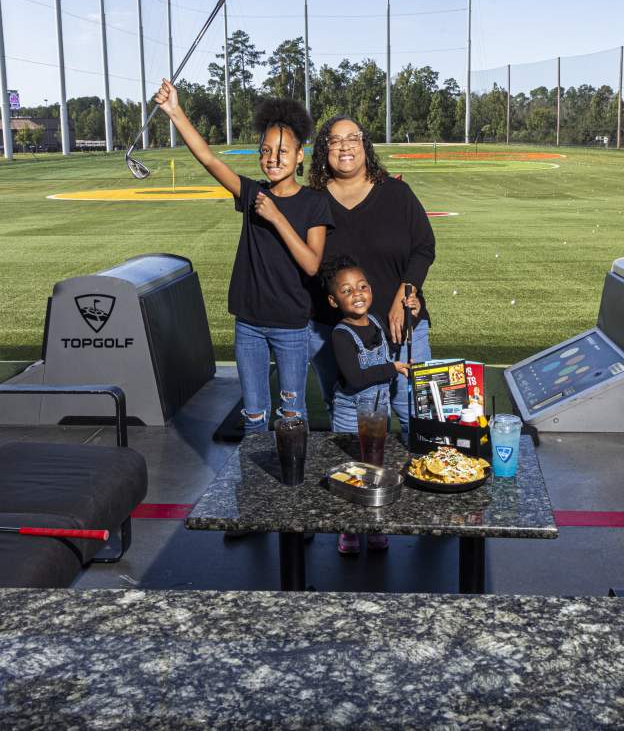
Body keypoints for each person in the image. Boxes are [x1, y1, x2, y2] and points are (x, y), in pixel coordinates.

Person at [154, 80, 333, 433]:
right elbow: (208, 158)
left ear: (300, 155)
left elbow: (312, 264)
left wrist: (277, 217)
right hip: (249, 323)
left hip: (291, 326)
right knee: (254, 414)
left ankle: (290, 483)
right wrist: (175, 111)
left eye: (283, 151)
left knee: (293, 415)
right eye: (266, 151)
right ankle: (255, 484)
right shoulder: (252, 193)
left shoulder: (314, 203)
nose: (273, 159)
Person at [308, 115, 435, 435]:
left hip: (400, 327)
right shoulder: (313, 202)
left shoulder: (396, 194)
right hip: (336, 335)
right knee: (354, 424)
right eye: (334, 141)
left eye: (353, 137)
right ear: (325, 150)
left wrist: (405, 294)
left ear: (365, 143)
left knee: (418, 420)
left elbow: (424, 247)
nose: (344, 146)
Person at [320, 255, 418, 555]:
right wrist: (393, 369)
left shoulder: (376, 321)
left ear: (371, 291)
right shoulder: (340, 335)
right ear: (334, 301)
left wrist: (411, 315)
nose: (357, 294)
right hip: (352, 415)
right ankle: (349, 529)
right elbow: (355, 376)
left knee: (375, 471)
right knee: (353, 475)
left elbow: (394, 349)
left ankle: (374, 527)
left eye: (362, 286)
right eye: (347, 291)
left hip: (378, 413)